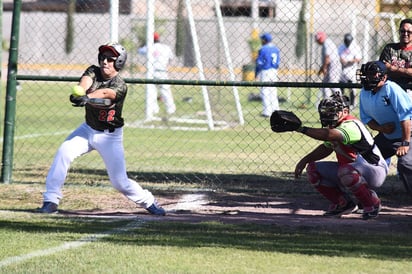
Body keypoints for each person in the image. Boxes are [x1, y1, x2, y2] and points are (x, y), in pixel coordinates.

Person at [38, 42, 166, 216]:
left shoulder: (120, 85)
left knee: (119, 182)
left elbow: (107, 94)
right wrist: (80, 92)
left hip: (109, 137)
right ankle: (51, 200)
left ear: (119, 63)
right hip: (87, 129)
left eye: (111, 59)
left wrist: (87, 97)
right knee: (64, 152)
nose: (105, 62)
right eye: (103, 58)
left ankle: (148, 201)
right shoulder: (94, 71)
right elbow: (85, 81)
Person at [294, 93, 388, 220]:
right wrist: (305, 160)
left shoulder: (351, 125)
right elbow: (326, 148)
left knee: (346, 171)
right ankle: (343, 203)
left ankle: (372, 203)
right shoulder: (336, 126)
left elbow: (329, 135)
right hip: (353, 169)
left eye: (332, 111)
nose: (327, 114)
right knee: (313, 170)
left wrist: (301, 129)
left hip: (374, 170)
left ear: (345, 111)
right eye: (325, 111)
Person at [358, 60, 412, 194]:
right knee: (364, 159)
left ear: (384, 76)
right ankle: (365, 194)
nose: (368, 77)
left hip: (408, 135)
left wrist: (405, 143)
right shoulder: (364, 93)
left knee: (405, 163)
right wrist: (381, 129)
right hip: (387, 136)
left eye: (372, 74)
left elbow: (406, 117)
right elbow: (367, 119)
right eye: (366, 74)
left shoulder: (391, 88)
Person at [138, 32, 176, 117]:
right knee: (165, 91)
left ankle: (154, 109)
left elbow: (139, 51)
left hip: (152, 72)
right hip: (163, 71)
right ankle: (171, 109)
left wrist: (143, 43)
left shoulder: (149, 47)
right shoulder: (166, 47)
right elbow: (171, 58)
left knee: (152, 91)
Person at [379, 18, 412, 93]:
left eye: (409, 32)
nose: (405, 34)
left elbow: (389, 69)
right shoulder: (389, 48)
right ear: (399, 32)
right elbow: (383, 69)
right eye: (403, 31)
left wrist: (393, 69)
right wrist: (406, 72)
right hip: (390, 90)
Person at [255, 32, 280, 118]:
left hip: (265, 70)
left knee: (265, 91)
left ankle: (267, 112)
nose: (261, 41)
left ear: (265, 40)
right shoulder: (276, 49)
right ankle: (276, 110)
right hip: (274, 71)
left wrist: (256, 73)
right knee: (273, 90)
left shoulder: (263, 49)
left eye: (262, 39)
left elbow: (259, 62)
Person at [315, 31, 342, 105]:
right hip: (330, 66)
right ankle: (327, 103)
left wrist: (324, 68)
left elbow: (327, 58)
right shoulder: (325, 43)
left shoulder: (327, 43)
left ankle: (342, 102)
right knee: (325, 85)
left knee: (333, 84)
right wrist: (322, 68)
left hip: (333, 65)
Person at [338, 33, 362, 107]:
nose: (347, 43)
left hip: (351, 69)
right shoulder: (341, 47)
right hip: (342, 69)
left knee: (352, 87)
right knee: (341, 86)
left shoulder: (355, 47)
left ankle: (352, 104)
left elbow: (358, 58)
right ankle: (342, 103)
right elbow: (337, 56)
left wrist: (349, 61)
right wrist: (341, 60)